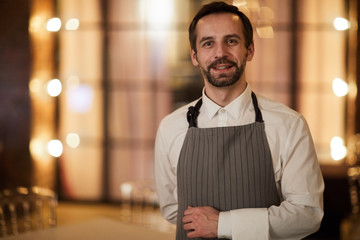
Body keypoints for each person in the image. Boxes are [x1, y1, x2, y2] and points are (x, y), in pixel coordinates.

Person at [154, 1, 324, 239]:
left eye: (231, 41)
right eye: (208, 43)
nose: (220, 53)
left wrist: (223, 224)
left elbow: (307, 214)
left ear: (250, 50)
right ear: (195, 55)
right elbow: (173, 210)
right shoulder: (171, 127)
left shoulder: (290, 125)